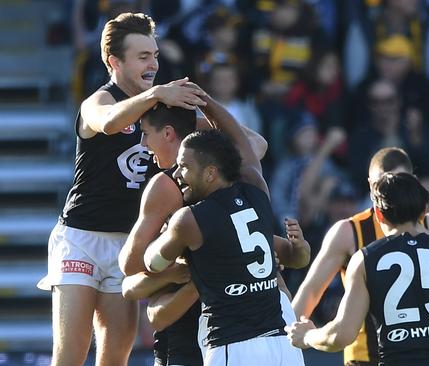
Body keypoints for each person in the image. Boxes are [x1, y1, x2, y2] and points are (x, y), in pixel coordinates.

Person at [37, 12, 207, 366]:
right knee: (70, 354)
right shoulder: (98, 102)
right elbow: (111, 123)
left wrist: (207, 106)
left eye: (156, 55)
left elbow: (253, 145)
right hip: (80, 239)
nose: (153, 64)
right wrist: (158, 93)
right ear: (115, 62)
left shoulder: (165, 109)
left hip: (128, 244)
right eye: (143, 56)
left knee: (116, 355)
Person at [119, 92, 310, 364]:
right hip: (278, 333)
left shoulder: (182, 209)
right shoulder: (253, 188)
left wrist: (180, 261)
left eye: (146, 133)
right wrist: (204, 104)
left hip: (231, 339)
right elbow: (253, 144)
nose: (176, 173)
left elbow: (142, 268)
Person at [286, 172, 429, 366]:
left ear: (378, 214)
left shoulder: (366, 259)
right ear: (424, 210)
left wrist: (308, 336)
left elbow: (342, 336)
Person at [292, 146, 429, 366]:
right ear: (370, 185)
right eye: (382, 185)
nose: (391, 194)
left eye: (399, 182)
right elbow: (311, 291)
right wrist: (286, 336)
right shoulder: (349, 231)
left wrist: (305, 336)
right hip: (367, 358)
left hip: (422, 355)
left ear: (413, 182)